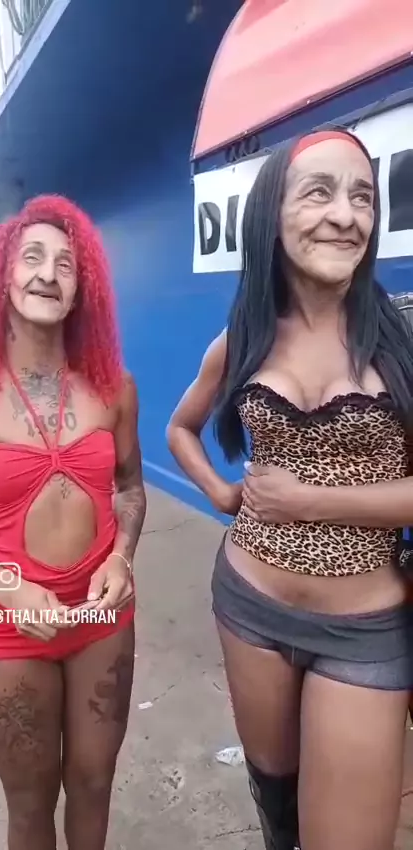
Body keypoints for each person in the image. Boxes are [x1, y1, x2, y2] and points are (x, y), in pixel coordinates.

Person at [167, 130, 413, 850]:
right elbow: (181, 428)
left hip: (366, 629)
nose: (345, 214)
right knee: (278, 807)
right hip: (250, 605)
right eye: (319, 192)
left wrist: (308, 501)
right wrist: (220, 493)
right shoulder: (243, 338)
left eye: (362, 197)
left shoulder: (402, 333)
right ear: (271, 215)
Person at [0, 195, 146, 850]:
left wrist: (122, 557)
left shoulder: (114, 388)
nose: (48, 274)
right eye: (32, 257)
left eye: (66, 264)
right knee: (30, 805)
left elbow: (131, 489)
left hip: (101, 620)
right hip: (5, 629)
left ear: (83, 288)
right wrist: (7, 586)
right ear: (3, 274)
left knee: (93, 784)